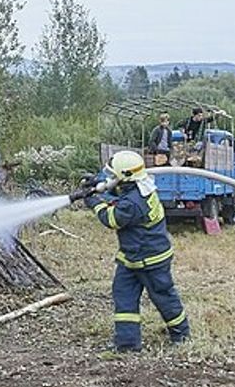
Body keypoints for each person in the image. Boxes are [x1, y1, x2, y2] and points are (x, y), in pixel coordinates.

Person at [81, 151, 190, 352]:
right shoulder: (139, 186)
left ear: (125, 176)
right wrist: (98, 184)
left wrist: (94, 202)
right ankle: (127, 344)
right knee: (123, 296)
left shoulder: (133, 202)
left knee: (163, 297)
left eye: (114, 175)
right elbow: (118, 194)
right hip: (131, 258)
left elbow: (112, 218)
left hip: (151, 260)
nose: (111, 178)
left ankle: (182, 334)